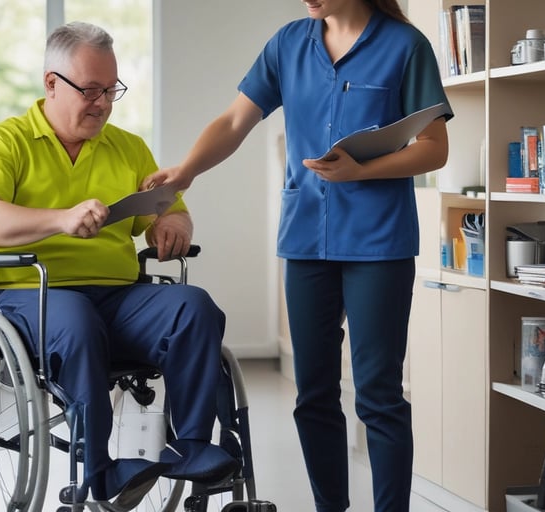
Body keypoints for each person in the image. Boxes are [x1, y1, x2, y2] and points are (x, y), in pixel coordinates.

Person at [142, 1, 453, 511]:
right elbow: (235, 120)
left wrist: (361, 171)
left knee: (379, 395)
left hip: (379, 242)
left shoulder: (405, 46)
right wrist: (186, 171)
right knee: (313, 394)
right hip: (307, 238)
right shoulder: (288, 44)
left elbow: (434, 147)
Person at [0, 21, 238, 510]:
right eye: (89, 90)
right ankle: (100, 471)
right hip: (29, 295)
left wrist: (173, 224)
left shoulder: (128, 147)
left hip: (119, 296)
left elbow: (170, 206)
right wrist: (61, 220)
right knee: (77, 320)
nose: (102, 103)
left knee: (194, 306)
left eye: (110, 90)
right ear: (51, 83)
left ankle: (190, 446)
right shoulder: (4, 142)